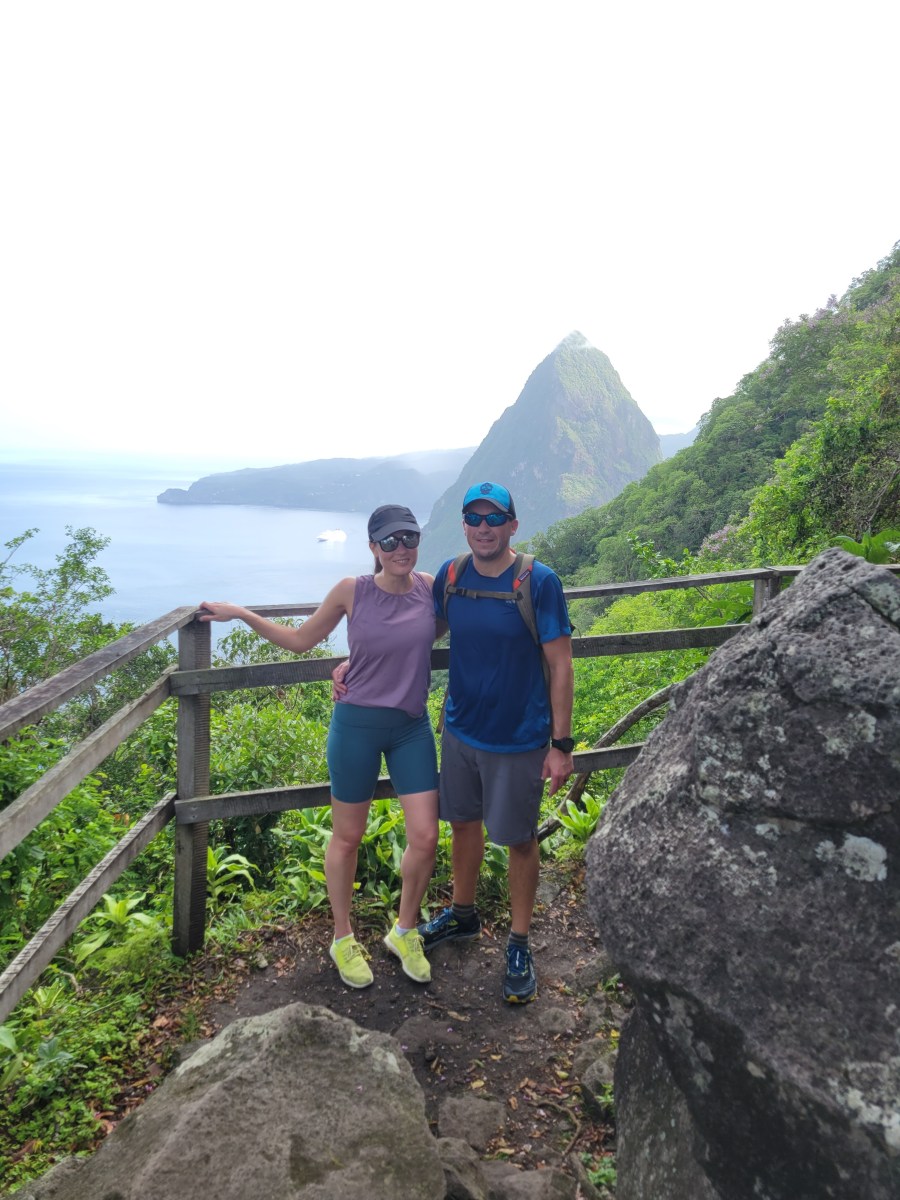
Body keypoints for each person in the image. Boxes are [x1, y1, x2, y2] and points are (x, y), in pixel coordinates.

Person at [198, 504, 443, 991]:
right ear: (373, 547)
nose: (401, 549)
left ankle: (405, 931)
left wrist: (358, 660)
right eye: (390, 541)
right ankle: (342, 938)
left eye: (409, 538)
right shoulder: (353, 590)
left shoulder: (430, 588)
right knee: (347, 837)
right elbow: (299, 641)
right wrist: (242, 613)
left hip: (411, 727)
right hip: (356, 727)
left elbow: (431, 633)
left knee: (426, 836)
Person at [418, 481, 575, 1004]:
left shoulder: (538, 581)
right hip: (461, 730)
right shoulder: (452, 575)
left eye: (493, 518)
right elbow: (421, 633)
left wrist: (561, 745)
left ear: (512, 525)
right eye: (474, 518)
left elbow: (560, 665)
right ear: (464, 525)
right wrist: (358, 660)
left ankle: (519, 943)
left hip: (518, 739)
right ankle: (462, 915)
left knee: (519, 839)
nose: (483, 528)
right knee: (462, 824)